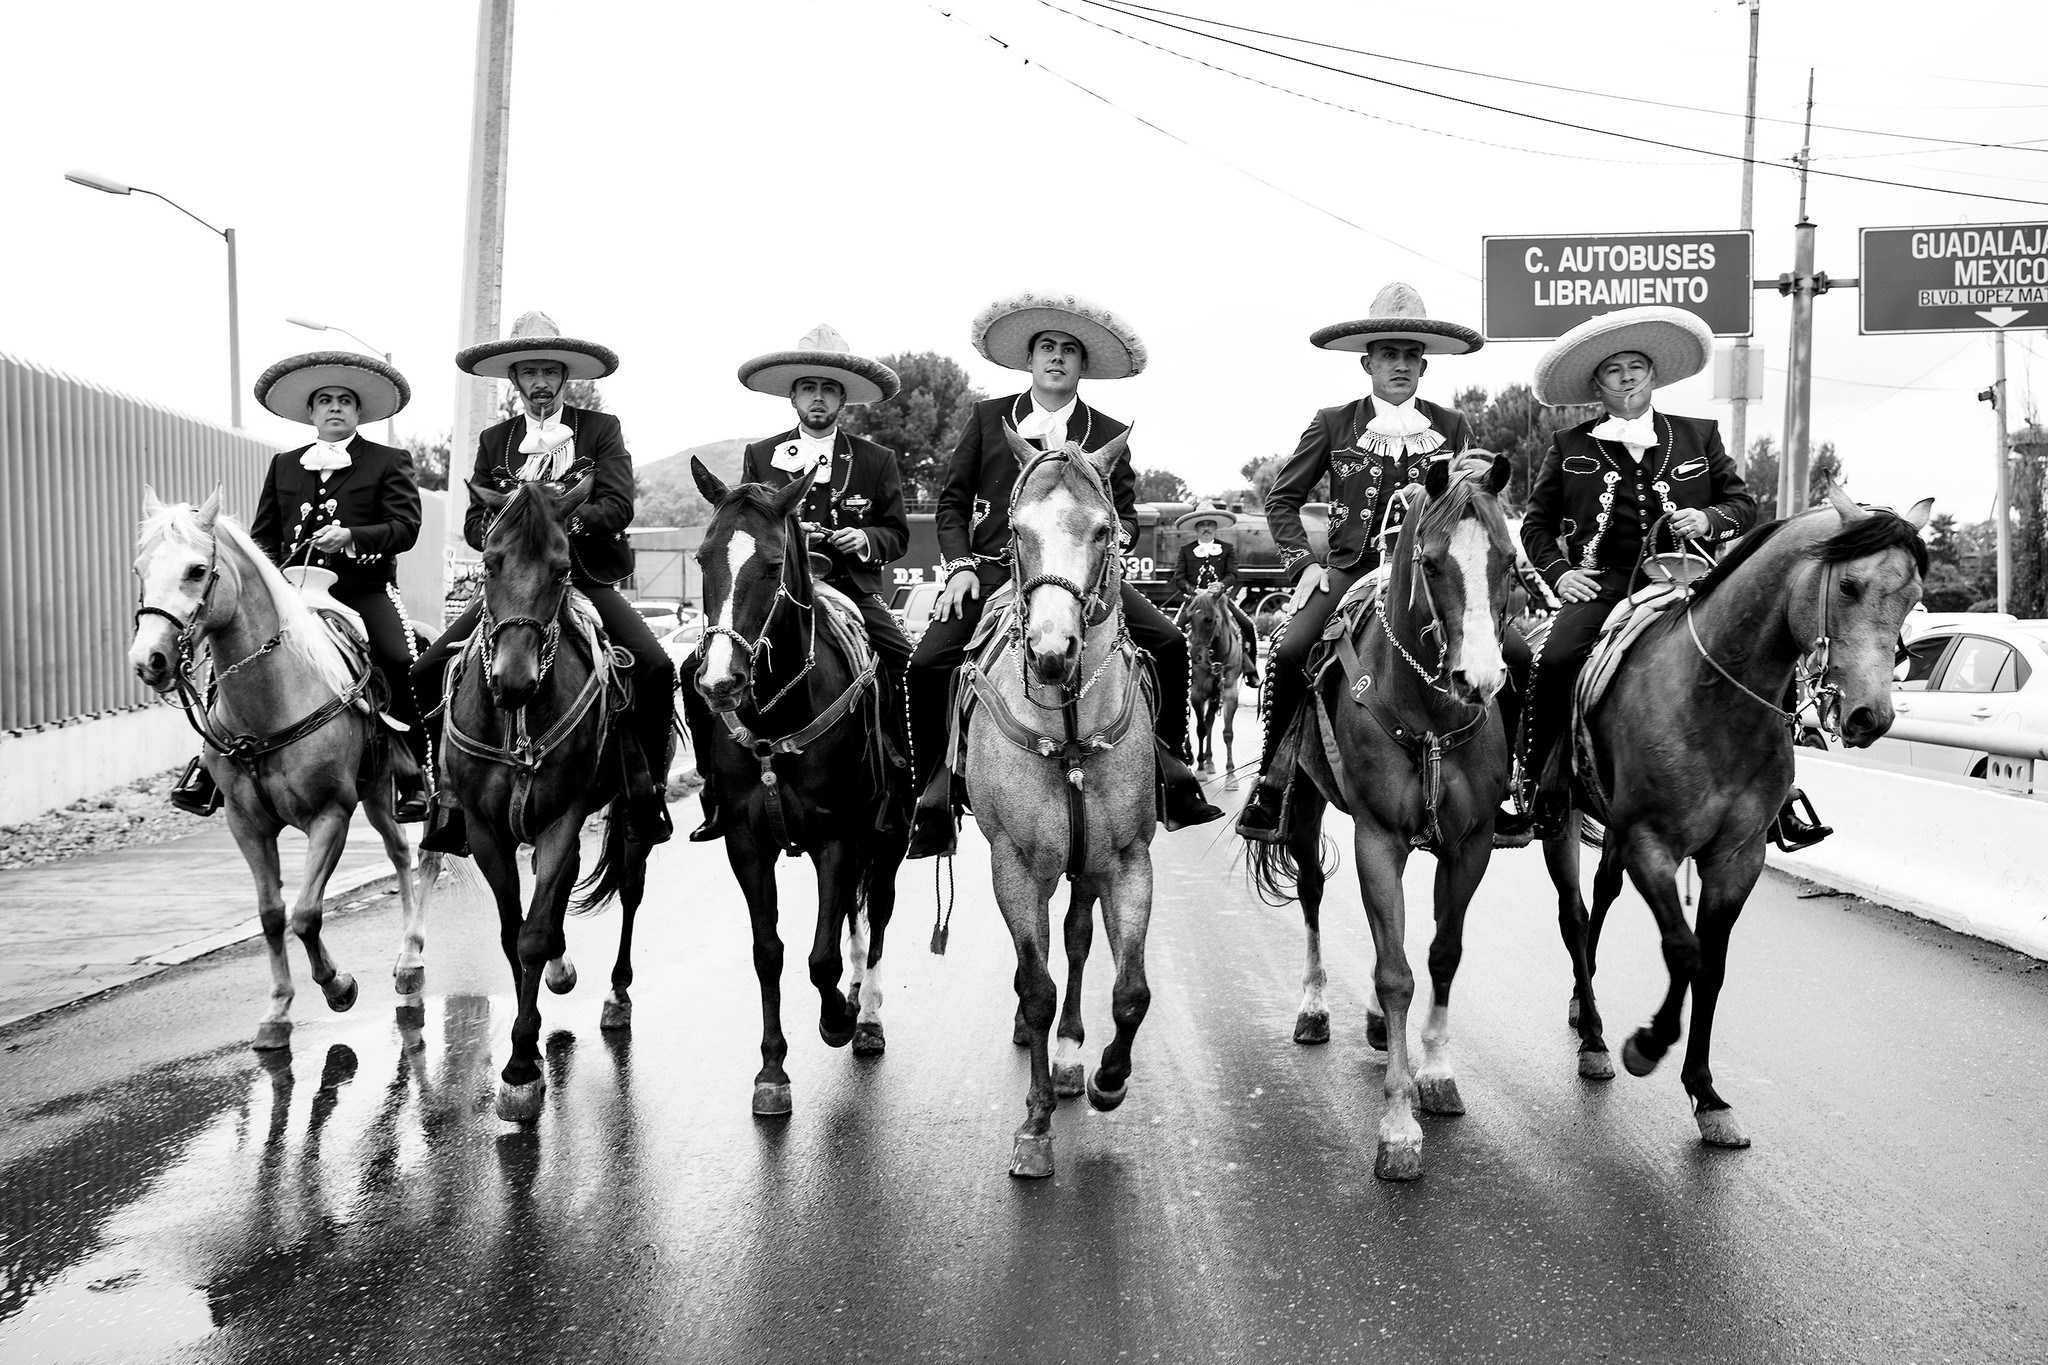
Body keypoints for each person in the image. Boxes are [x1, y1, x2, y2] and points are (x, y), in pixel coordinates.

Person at [1491, 304, 1824, 846]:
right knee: (1551, 660)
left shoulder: (1699, 435)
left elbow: (1744, 504)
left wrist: (1710, 518)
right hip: (1603, 584)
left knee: (1768, 648)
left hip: (1693, 579)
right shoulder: (1568, 445)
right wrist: (1560, 575)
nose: (1626, 378)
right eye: (1613, 370)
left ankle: (1780, 792)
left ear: (1652, 377)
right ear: (1596, 384)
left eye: (1635, 368)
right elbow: (1536, 526)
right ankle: (1533, 786)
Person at [906, 290, 1223, 858]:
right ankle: (932, 793)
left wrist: (1104, 552)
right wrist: (958, 568)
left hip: (1081, 575)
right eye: (1046, 347)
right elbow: (952, 505)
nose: (1057, 357)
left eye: (1069, 350)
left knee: (1172, 644)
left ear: (1083, 366)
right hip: (996, 570)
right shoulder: (987, 419)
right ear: (1029, 361)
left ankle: (1171, 773)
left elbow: (1123, 514)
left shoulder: (1108, 432)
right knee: (927, 662)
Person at [412, 311, 675, 854]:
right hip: (513, 586)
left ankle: (645, 791)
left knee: (654, 666)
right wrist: (511, 526)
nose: (539, 382)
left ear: (564, 377)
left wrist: (558, 521)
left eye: (548, 372)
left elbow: (619, 504)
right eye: (528, 372)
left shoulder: (601, 430)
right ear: (513, 380)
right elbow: (471, 523)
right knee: (427, 669)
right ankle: (446, 798)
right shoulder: (495, 441)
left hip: (580, 576)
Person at [1237, 284, 1488, 842]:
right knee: (1291, 648)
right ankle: (1272, 782)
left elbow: (1476, 505)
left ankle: (1510, 784)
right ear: (1366, 362)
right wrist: (1304, 564)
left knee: (1512, 651)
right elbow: (1282, 499)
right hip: (1353, 571)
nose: (1400, 365)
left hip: (1430, 572)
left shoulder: (1453, 426)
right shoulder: (1333, 422)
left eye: (1410, 357)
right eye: (1388, 355)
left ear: (1423, 366)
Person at [170, 352, 428, 820]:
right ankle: (208, 768)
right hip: (290, 594)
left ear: (358, 412)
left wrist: (353, 536)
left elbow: (406, 527)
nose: (335, 408)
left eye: (345, 401)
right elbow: (264, 534)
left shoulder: (389, 461)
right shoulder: (284, 465)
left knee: (399, 659)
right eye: (325, 400)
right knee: (231, 655)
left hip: (361, 590)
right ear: (311, 413)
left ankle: (412, 775)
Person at [683, 324, 912, 842]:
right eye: (808, 388)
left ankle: (902, 772)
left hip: (849, 588)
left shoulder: (877, 460)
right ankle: (716, 788)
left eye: (829, 389)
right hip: (776, 593)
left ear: (843, 399)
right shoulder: (760, 455)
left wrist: (865, 538)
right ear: (793, 395)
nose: (818, 397)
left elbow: (896, 533)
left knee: (907, 661)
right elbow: (744, 522)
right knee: (693, 668)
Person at [1168, 502, 1259, 685]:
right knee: (1174, 632)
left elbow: (1233, 574)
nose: (1206, 528)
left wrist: (1222, 586)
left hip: (1221, 602)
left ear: (1216, 527)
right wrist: (1196, 592)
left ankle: (1250, 668)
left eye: (1210, 524)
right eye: (1202, 524)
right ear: (1196, 528)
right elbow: (1178, 578)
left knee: (1247, 626)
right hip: (1194, 603)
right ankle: (1172, 673)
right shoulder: (1186, 550)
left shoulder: (1227, 549)